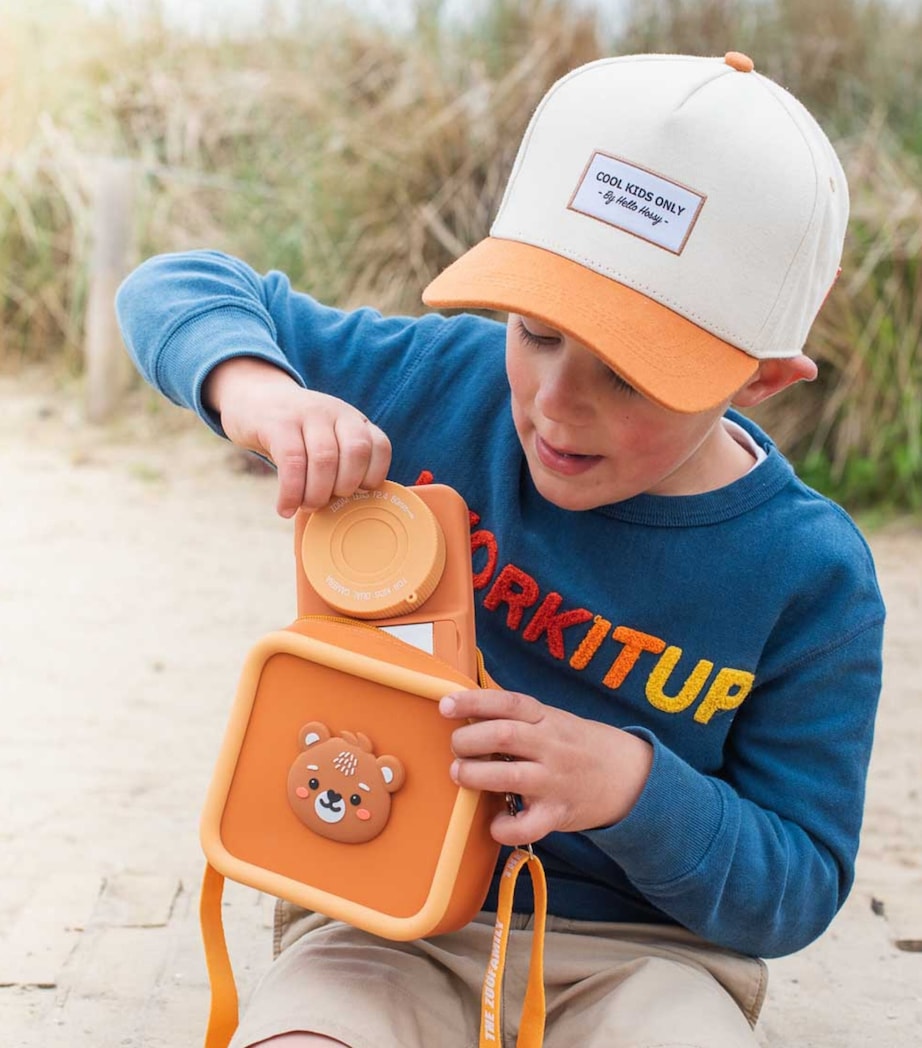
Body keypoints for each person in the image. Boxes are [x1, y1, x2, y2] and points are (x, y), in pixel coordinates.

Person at [116, 51, 885, 1048]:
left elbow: (797, 888)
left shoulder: (811, 578)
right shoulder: (442, 382)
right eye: (536, 330)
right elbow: (175, 283)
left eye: (627, 374)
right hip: (381, 927)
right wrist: (260, 390)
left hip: (648, 960)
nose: (555, 403)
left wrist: (634, 790)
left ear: (760, 379)